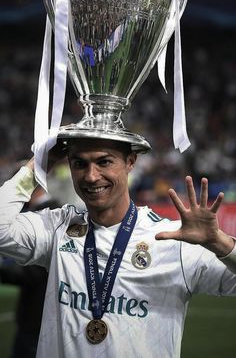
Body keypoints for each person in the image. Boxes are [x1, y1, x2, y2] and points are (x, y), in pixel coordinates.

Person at [0, 137, 236, 358]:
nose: (91, 176)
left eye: (104, 162)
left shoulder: (174, 240)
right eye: (80, 164)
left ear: (130, 162)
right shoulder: (57, 228)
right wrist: (40, 163)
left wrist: (220, 243)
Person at [0, 184, 61, 358]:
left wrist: (4, 270)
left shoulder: (48, 213)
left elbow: (34, 272)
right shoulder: (49, 211)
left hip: (39, 311)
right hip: (37, 309)